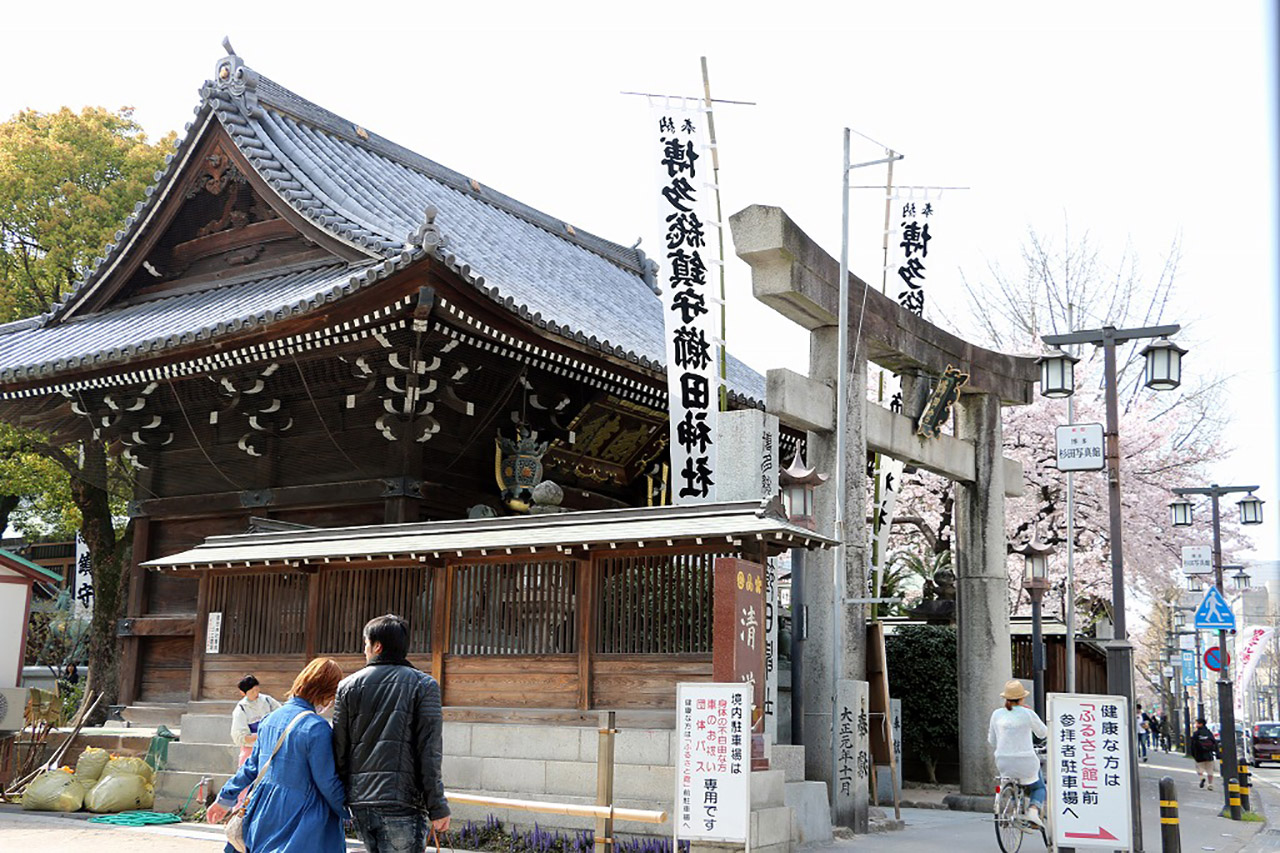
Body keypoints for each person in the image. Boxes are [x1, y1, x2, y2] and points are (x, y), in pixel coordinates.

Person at [334, 614, 450, 853]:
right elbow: (429, 752)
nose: (364, 650)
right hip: (402, 802)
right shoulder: (424, 685)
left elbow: (339, 749)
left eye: (365, 643)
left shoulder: (347, 686)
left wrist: (343, 796)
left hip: (361, 801)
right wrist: (437, 806)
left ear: (377, 646)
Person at [207, 658, 347, 853]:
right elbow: (327, 782)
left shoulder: (270, 719)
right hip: (302, 818)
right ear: (326, 692)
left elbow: (251, 768)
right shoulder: (317, 728)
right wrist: (348, 811)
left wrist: (225, 798)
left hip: (262, 810)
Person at [988, 680, 1048, 828]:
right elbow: (1043, 733)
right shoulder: (1028, 713)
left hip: (1003, 761)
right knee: (1039, 787)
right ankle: (1033, 811)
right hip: (1026, 760)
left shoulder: (997, 714)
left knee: (1013, 780)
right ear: (1022, 698)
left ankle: (1012, 806)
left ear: (1006, 698)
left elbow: (992, 741)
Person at [231, 674, 282, 767]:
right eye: (252, 692)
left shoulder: (267, 700)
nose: (256, 694)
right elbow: (239, 735)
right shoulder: (241, 709)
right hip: (251, 749)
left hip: (270, 747)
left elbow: (281, 713)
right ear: (243, 693)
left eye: (257, 690)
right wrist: (258, 736)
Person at [1191, 717, 1219, 791]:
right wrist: (1216, 752)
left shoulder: (1196, 733)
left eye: (1197, 723)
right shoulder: (1209, 733)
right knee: (1210, 770)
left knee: (1200, 768)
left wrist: (1193, 754)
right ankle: (1210, 784)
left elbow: (1193, 744)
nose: (1196, 725)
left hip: (1199, 755)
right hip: (1209, 754)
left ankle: (1202, 778)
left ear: (1200, 724)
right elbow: (1214, 742)